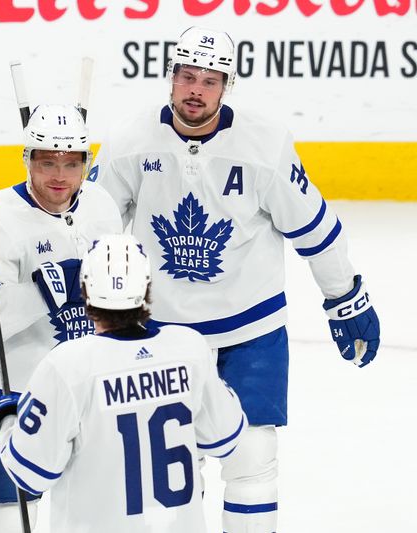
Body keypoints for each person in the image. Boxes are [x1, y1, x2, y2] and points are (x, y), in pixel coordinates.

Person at [90, 27, 381, 533]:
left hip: (253, 328)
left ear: (227, 86)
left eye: (209, 80)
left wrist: (345, 296)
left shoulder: (264, 145)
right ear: (170, 78)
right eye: (186, 77)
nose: (195, 90)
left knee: (253, 460)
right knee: (173, 472)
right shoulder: (128, 141)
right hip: (164, 333)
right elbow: (93, 227)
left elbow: (312, 226)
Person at [0, 234, 247, 532]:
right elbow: (226, 437)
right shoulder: (189, 348)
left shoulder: (68, 365)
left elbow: (31, 473)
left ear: (85, 291)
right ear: (148, 287)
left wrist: (5, 421)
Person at [0, 103, 122, 532]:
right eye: (47, 162)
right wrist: (43, 289)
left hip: (87, 394)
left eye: (71, 163)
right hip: (6, 399)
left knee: (92, 517)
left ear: (87, 163)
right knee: (6, 521)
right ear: (27, 159)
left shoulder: (101, 206)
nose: (59, 176)